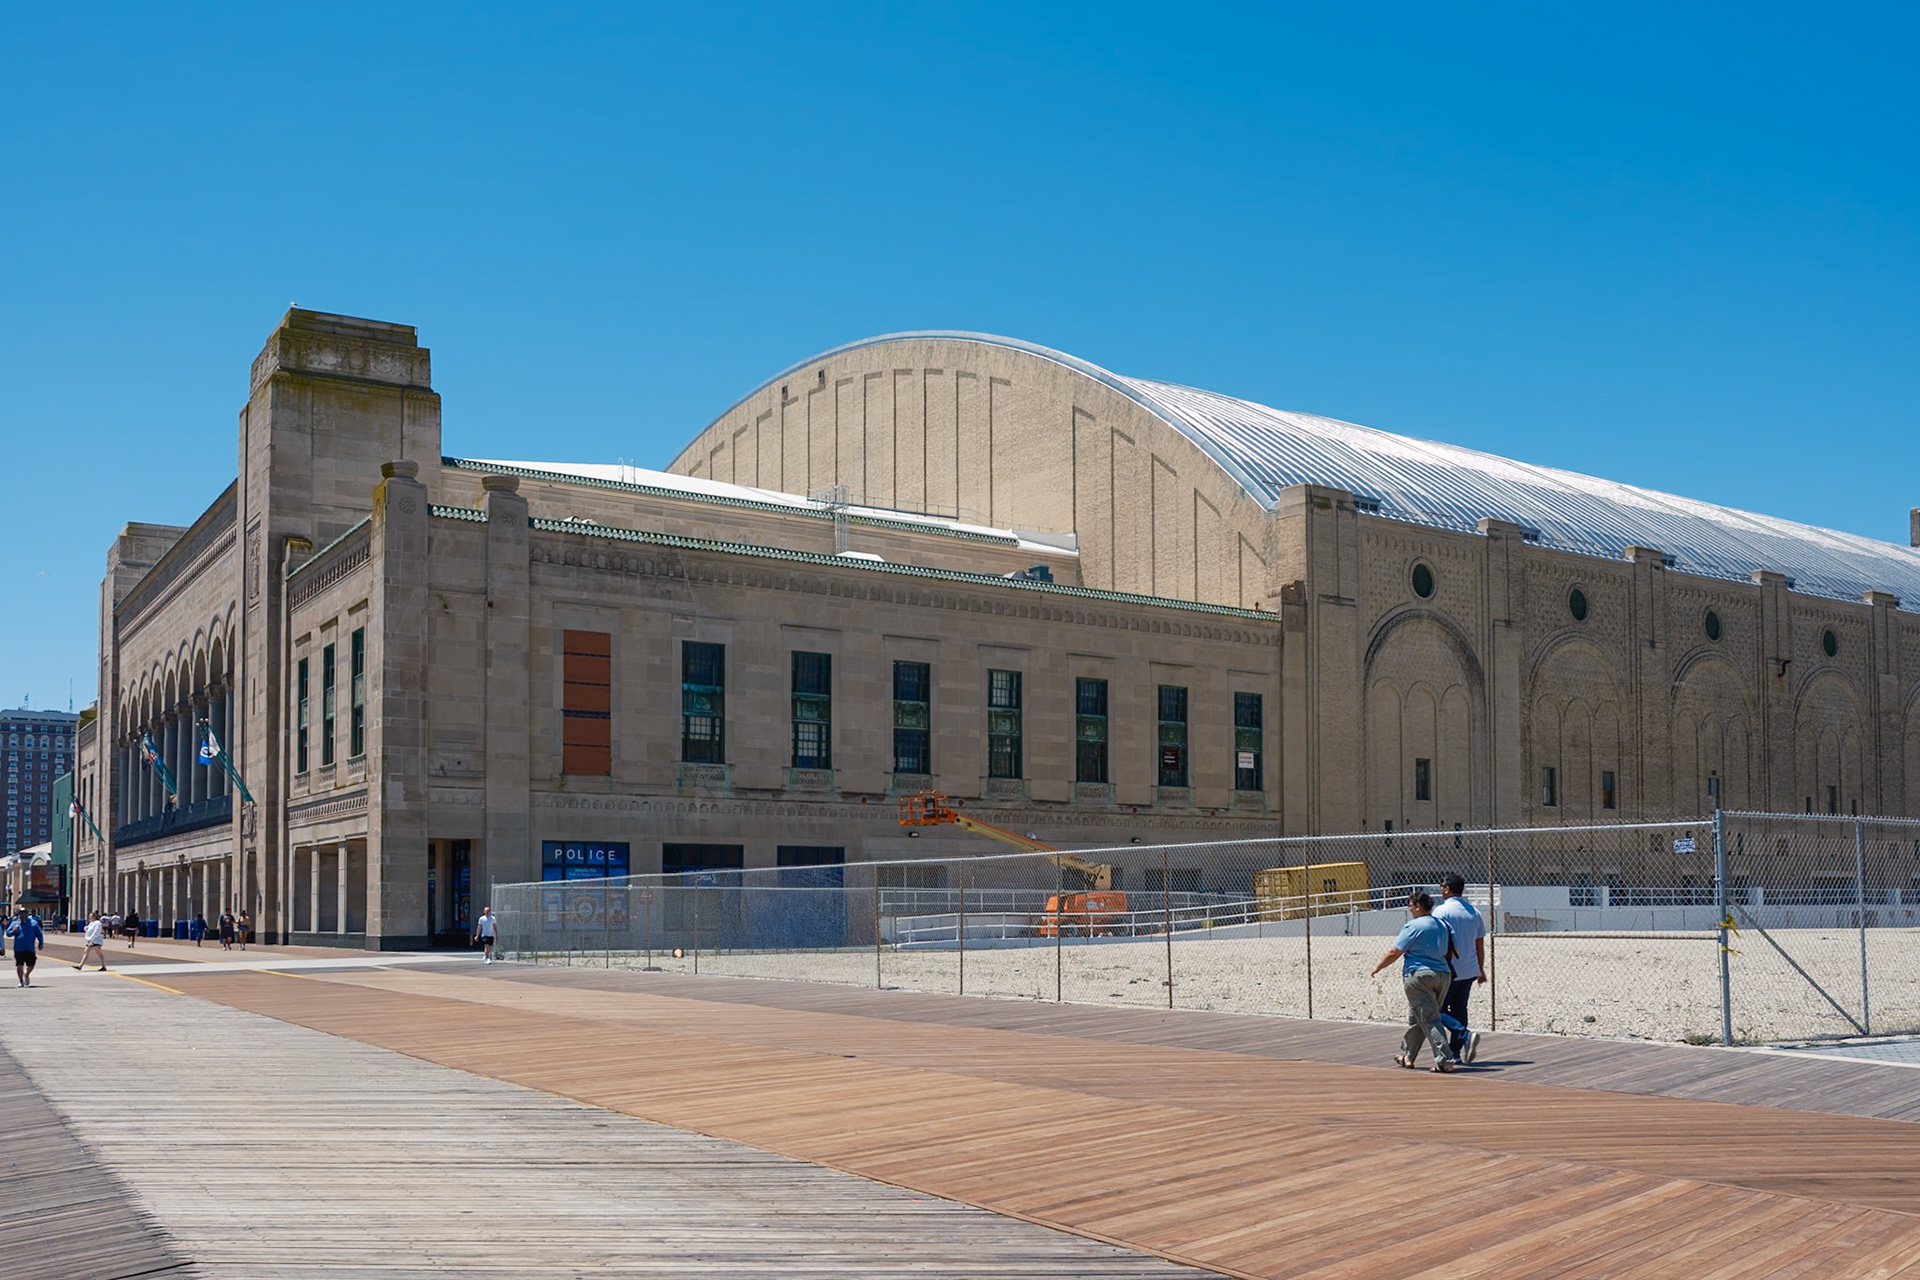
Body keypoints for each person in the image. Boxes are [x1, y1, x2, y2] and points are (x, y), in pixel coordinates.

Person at [1370, 889, 1461, 1072]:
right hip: (1443, 974)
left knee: (1429, 1018)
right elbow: (1454, 950)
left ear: (1418, 907)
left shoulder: (1413, 926)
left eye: (1411, 905)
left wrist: (1378, 967)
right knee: (1417, 1017)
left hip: (1419, 976)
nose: (1410, 909)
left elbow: (1395, 951)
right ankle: (1409, 1057)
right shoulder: (1443, 924)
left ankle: (1445, 1060)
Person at [1433, 873, 1488, 1065]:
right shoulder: (1474, 912)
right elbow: (1479, 943)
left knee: (1437, 1009)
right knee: (1460, 1009)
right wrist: (1481, 969)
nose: (1441, 889)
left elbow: (1437, 940)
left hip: (1449, 969)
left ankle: (1464, 1036)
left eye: (1442, 886)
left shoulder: (1441, 912)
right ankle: (1455, 1052)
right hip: (1470, 968)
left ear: (1447, 889)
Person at [7, 907, 45, 988]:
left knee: (31, 964)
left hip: (29, 948)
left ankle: (26, 974)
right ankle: (21, 981)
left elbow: (39, 933)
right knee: (19, 965)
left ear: (27, 914)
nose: (22, 915)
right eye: (20, 913)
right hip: (18, 948)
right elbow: (8, 933)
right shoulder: (15, 923)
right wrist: (13, 931)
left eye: (24, 913)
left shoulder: (33, 923)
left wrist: (41, 943)